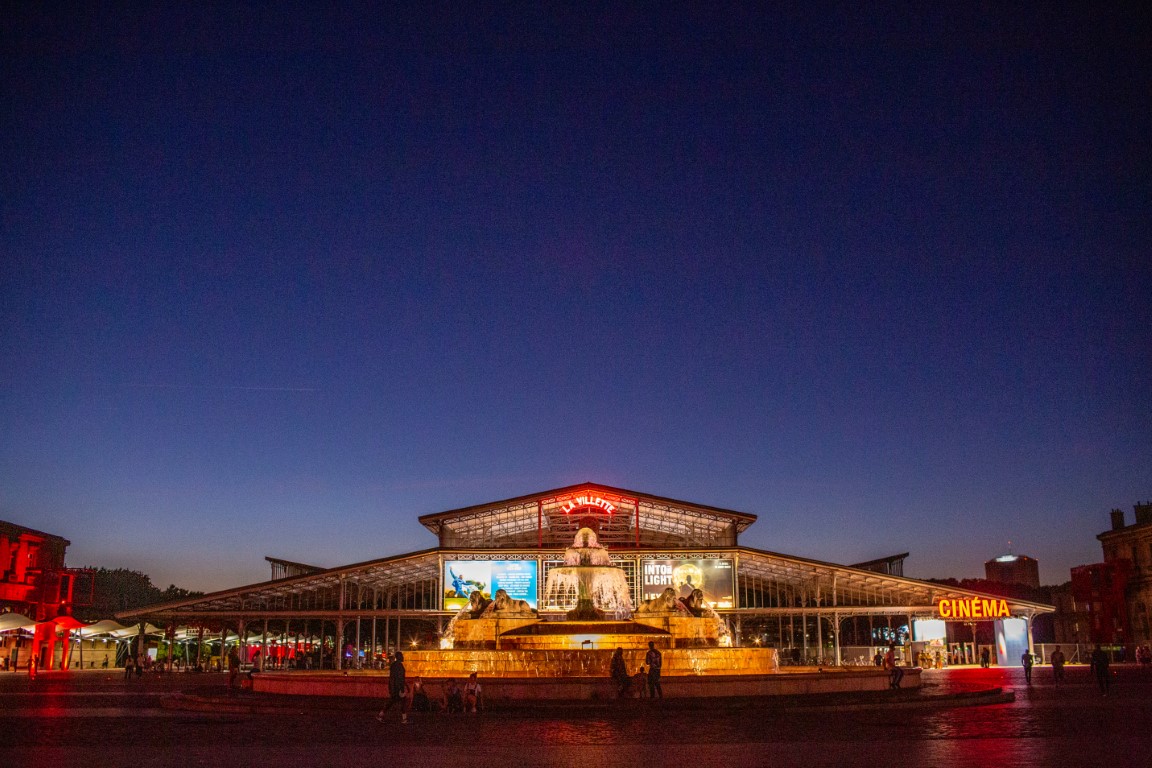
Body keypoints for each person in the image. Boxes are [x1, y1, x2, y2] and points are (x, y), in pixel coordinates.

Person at [378, 651, 409, 723]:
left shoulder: (394, 665)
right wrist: (401, 688)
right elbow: (398, 678)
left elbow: (395, 677)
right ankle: (404, 719)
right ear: (399, 657)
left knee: (392, 702)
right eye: (402, 656)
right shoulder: (398, 666)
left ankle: (381, 715)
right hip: (397, 688)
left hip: (396, 687)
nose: (403, 657)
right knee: (399, 703)